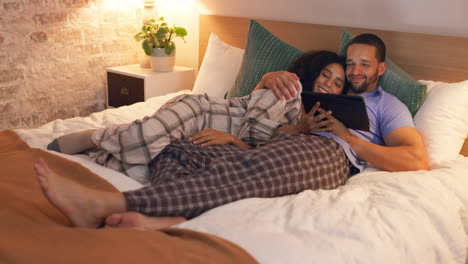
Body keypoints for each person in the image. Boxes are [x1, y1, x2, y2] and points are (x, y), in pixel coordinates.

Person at [36, 50, 352, 230]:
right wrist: (236, 138)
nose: (330, 84)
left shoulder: (307, 117)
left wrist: (298, 129)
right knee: (146, 135)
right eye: (326, 74)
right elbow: (254, 136)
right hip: (201, 112)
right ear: (312, 72)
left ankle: (145, 201)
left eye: (338, 83)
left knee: (159, 151)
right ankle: (94, 137)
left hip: (211, 132)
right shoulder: (289, 86)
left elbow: (264, 141)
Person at [262, 33, 429, 172]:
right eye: (350, 64)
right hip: (286, 143)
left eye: (364, 65)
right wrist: (266, 79)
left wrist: (348, 139)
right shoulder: (330, 85)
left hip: (329, 155)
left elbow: (416, 160)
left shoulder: (388, 105)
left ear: (381, 68)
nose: (355, 72)